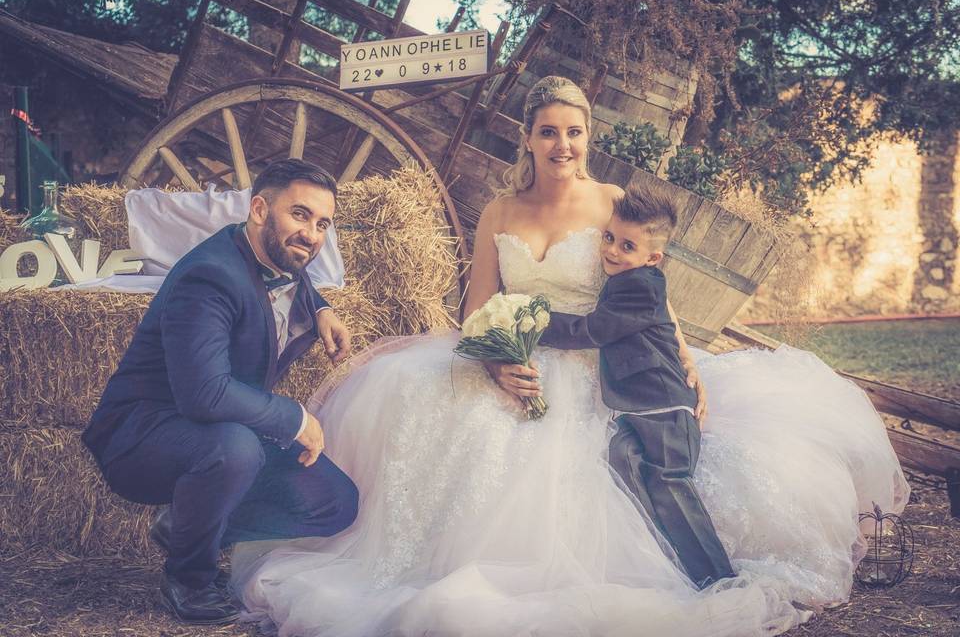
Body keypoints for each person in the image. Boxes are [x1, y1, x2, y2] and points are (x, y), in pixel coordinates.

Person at [232, 77, 909, 637]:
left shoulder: (611, 202)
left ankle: (698, 565)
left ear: (589, 137)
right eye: (549, 131)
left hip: (602, 368)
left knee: (636, 461)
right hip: (520, 360)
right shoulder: (501, 209)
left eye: (574, 131)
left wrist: (686, 358)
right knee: (424, 403)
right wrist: (496, 360)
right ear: (528, 137)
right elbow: (477, 307)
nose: (562, 144)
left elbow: (646, 290)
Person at [82, 159, 359, 625]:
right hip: (145, 433)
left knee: (334, 502)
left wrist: (322, 306)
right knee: (236, 450)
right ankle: (189, 576)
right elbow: (203, 395)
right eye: (300, 215)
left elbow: (296, 274)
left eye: (322, 223)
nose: (311, 234)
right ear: (258, 210)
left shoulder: (274, 251)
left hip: (225, 428)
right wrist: (295, 419)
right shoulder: (209, 276)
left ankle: (185, 526)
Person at [538, 182, 735, 588]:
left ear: (653, 258)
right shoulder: (627, 278)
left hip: (664, 406)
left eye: (627, 246)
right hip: (638, 407)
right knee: (620, 462)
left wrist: (535, 319)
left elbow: (594, 330)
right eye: (609, 238)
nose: (612, 250)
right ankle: (666, 562)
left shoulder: (642, 286)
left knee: (670, 485)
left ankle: (718, 578)